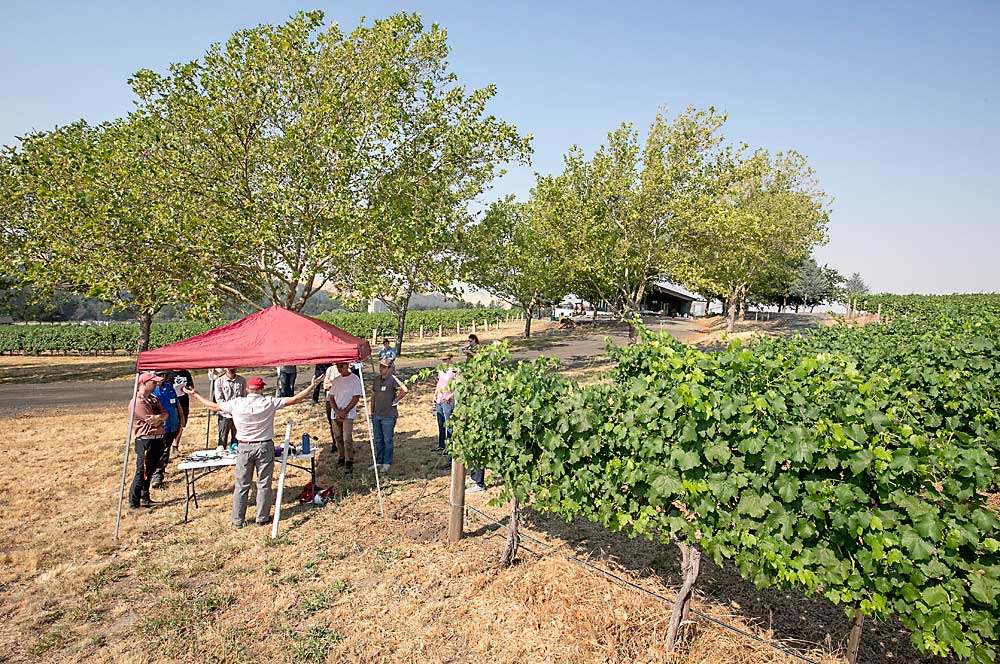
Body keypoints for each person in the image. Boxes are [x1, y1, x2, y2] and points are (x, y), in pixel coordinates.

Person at [185, 374, 321, 528]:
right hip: (264, 446)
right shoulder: (268, 402)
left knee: (242, 485)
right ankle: (262, 518)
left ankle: (237, 520)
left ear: (247, 389)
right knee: (264, 483)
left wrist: (195, 394)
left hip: (243, 447)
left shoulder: (237, 403)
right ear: (261, 389)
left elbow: (213, 406)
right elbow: (295, 399)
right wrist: (312, 386)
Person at [128, 372, 168, 512]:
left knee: (149, 471)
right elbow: (152, 422)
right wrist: (160, 418)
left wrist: (159, 417)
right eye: (154, 382)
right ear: (144, 383)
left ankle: (145, 498)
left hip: (157, 440)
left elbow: (165, 414)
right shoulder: (137, 402)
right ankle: (133, 504)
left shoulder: (153, 399)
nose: (156, 384)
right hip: (145, 441)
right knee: (141, 472)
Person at [370, 357, 408, 473]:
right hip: (377, 414)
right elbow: (373, 395)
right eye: (380, 366)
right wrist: (372, 410)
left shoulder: (392, 379)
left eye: (384, 367)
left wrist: (396, 400)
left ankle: (387, 462)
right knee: (378, 439)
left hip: (388, 415)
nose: (381, 369)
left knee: (387, 439)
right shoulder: (376, 380)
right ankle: (379, 461)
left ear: (390, 368)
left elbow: (405, 389)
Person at [151, 371, 185, 489]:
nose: (162, 378)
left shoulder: (169, 387)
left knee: (166, 449)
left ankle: (161, 470)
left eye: (163, 375)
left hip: (173, 424)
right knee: (161, 451)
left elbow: (177, 405)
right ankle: (157, 476)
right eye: (159, 375)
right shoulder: (152, 390)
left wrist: (182, 418)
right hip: (161, 427)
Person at [327, 362, 363, 473]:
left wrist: (345, 411)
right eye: (337, 366)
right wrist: (337, 411)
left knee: (347, 437)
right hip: (336, 413)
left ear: (347, 365)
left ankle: (349, 460)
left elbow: (356, 397)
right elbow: (331, 398)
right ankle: (341, 457)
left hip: (348, 413)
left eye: (341, 366)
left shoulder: (354, 379)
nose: (339, 368)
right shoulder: (336, 380)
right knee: (338, 436)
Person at [213, 368, 246, 450]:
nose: (232, 369)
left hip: (238, 413)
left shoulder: (242, 380)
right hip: (224, 413)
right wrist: (228, 409)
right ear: (225, 369)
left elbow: (244, 397)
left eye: (233, 368)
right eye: (229, 368)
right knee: (222, 438)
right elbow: (219, 399)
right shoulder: (219, 381)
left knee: (237, 438)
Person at [433, 353, 457, 454]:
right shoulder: (441, 370)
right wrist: (435, 394)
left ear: (450, 359)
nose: (444, 362)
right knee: (440, 423)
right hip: (439, 399)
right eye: (443, 360)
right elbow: (439, 382)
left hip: (448, 401)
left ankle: (450, 446)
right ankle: (441, 444)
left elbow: (459, 386)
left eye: (446, 360)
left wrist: (450, 396)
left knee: (449, 424)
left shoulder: (454, 371)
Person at [171, 370, 195, 455]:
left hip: (183, 401)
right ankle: (167, 447)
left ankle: (175, 446)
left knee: (181, 424)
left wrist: (188, 390)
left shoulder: (186, 373)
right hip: (171, 402)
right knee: (171, 425)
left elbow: (191, 386)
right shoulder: (168, 373)